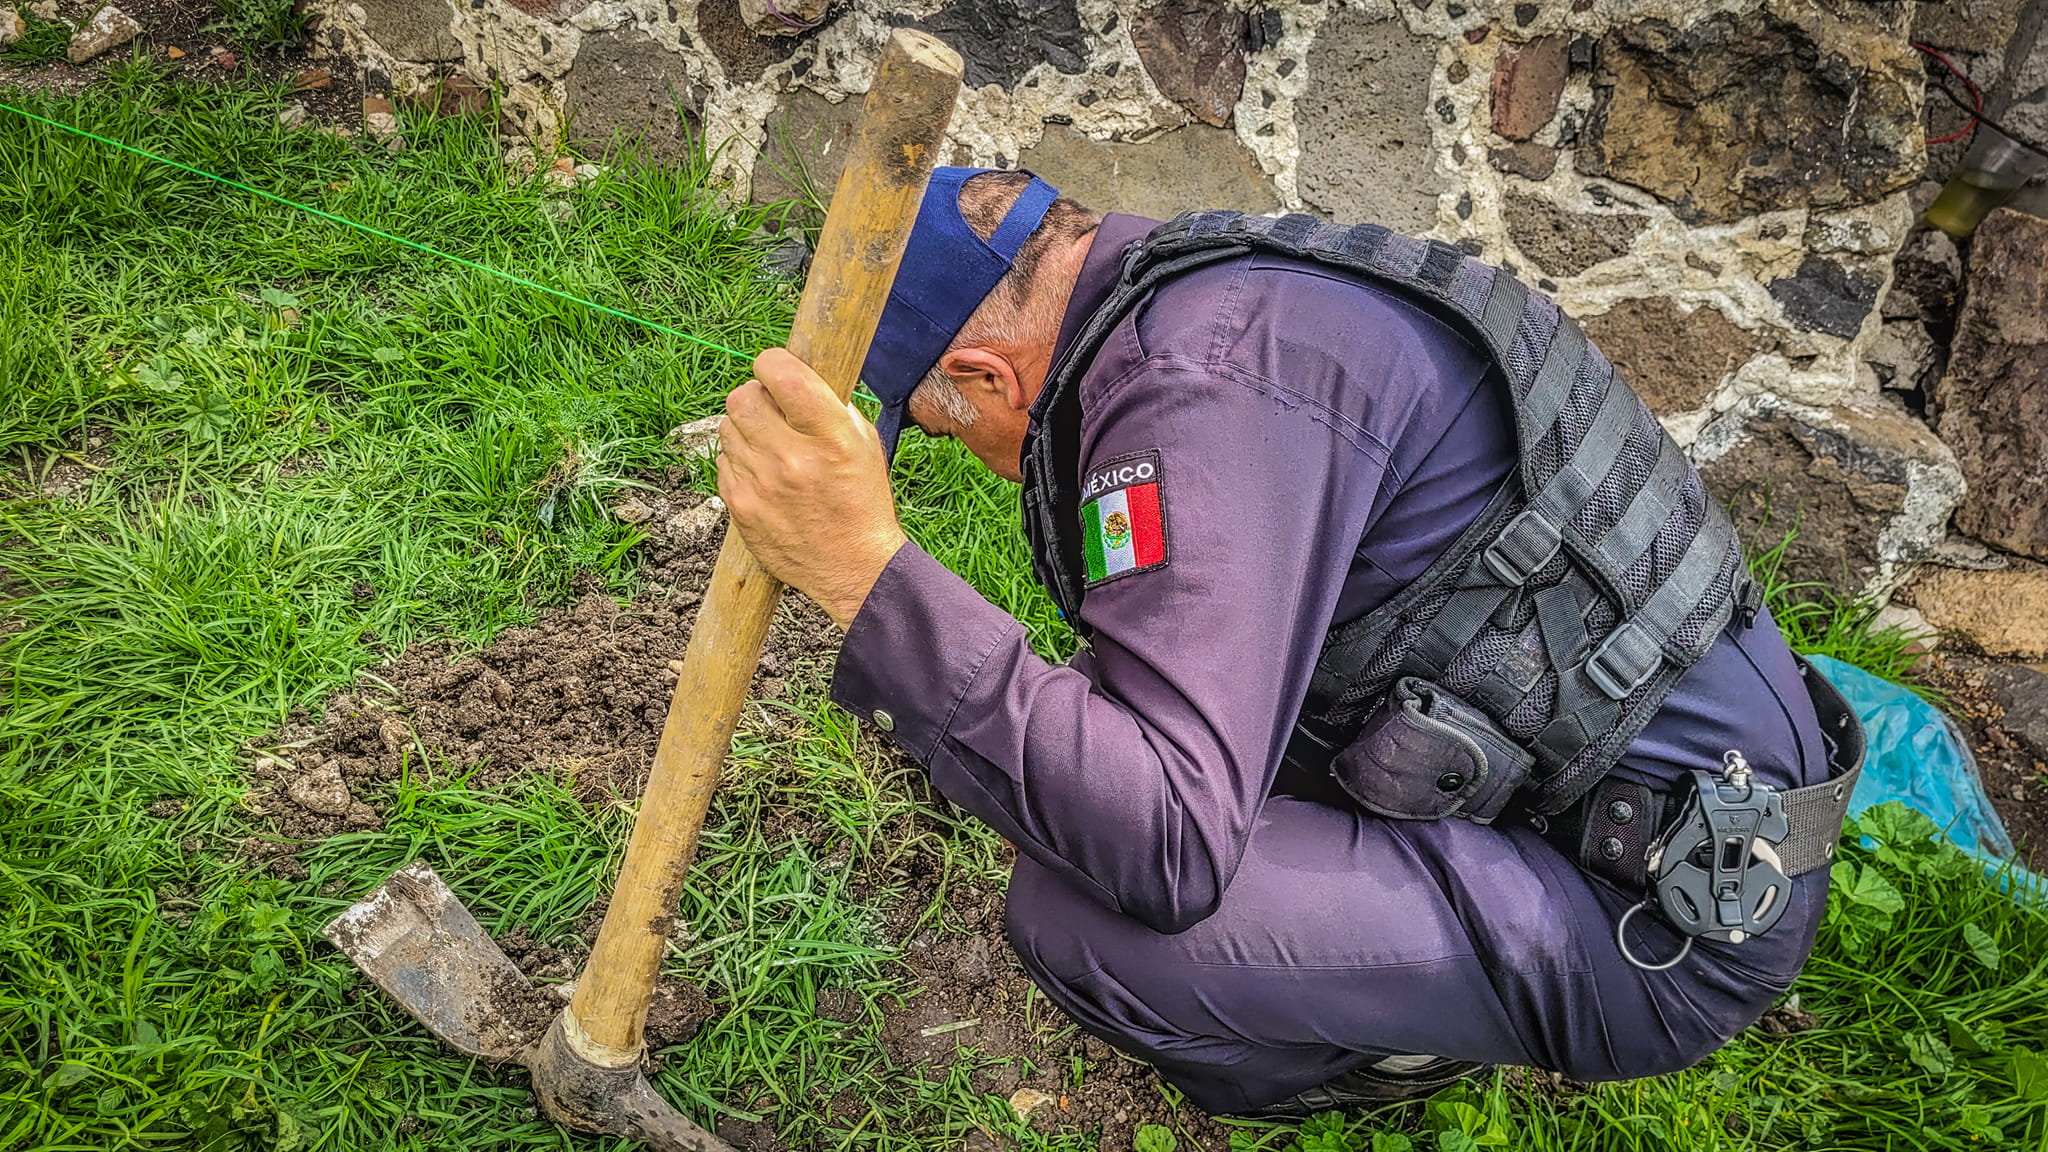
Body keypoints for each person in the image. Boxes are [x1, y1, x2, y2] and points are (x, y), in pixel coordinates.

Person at [713, 169, 1863, 1117]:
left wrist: (867, 575)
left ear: (977, 376)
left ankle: (1380, 1054)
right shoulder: (1223, 297)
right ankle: (1400, 962)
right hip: (1660, 798)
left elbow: (1165, 837)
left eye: (937, 427)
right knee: (1090, 722)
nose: (974, 456)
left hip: (1661, 921)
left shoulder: (1194, 383)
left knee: (1081, 917)